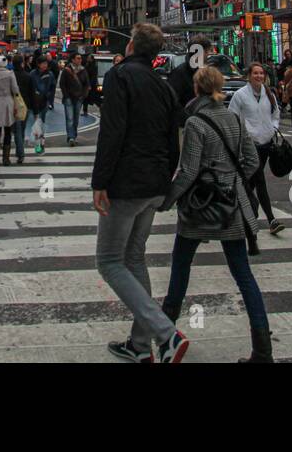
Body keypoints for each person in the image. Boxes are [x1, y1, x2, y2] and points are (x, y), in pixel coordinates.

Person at [160, 66, 272, 363]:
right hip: (230, 207)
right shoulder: (234, 118)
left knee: (180, 268)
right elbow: (250, 162)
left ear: (196, 89)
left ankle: (164, 335)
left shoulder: (196, 122)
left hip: (198, 208)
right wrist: (230, 182)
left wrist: (167, 201)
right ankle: (263, 350)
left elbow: (188, 171)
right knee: (243, 275)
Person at [92, 23, 186, 363]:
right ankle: (138, 345)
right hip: (153, 185)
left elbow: (112, 130)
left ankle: (166, 333)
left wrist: (99, 181)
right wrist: (166, 185)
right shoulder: (163, 87)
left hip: (127, 183)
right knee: (134, 257)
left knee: (109, 260)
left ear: (132, 46)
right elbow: (172, 137)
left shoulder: (120, 76)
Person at [229, 62, 285, 248]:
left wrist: (273, 128)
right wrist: (242, 137)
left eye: (261, 73)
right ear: (248, 76)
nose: (259, 76)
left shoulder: (269, 94)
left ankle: (236, 214)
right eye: (255, 73)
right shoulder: (240, 96)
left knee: (250, 184)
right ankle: (270, 219)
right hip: (249, 145)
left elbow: (276, 113)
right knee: (259, 181)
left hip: (265, 144)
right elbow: (232, 117)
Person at [166, 35, 211, 111]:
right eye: (207, 51)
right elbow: (172, 103)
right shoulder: (179, 74)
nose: (208, 54)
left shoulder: (205, 71)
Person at [59, 52, 87, 146]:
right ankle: (71, 137)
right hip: (69, 98)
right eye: (78, 58)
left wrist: (83, 95)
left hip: (79, 98)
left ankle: (73, 136)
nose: (80, 60)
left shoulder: (83, 70)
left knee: (76, 118)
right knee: (70, 118)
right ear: (73, 60)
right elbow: (62, 84)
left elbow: (87, 84)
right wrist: (66, 96)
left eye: (80, 58)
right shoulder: (67, 70)